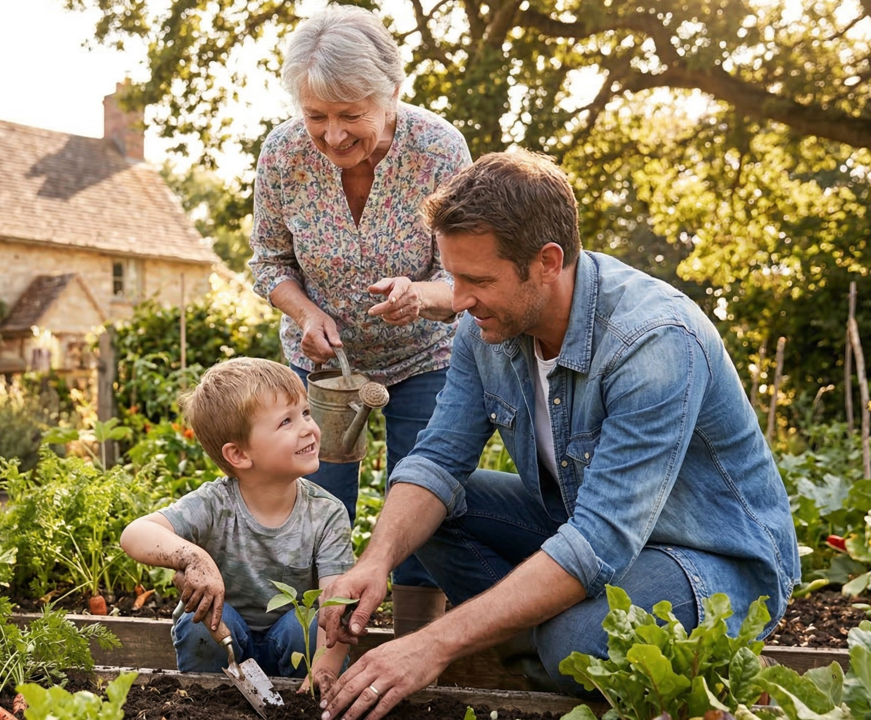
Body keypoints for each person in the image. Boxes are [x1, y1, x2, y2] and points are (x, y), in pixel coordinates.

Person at [316, 149, 801, 720]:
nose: (459, 299)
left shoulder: (652, 342)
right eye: (453, 276)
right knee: (436, 514)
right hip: (585, 527)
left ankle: (551, 638)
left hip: (711, 557)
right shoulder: (486, 326)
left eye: (478, 279)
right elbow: (438, 460)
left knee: (578, 642)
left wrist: (435, 641)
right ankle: (541, 634)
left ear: (546, 261)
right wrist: (375, 562)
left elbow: (599, 541)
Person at [248, 3, 472, 632]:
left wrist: (421, 295)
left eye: (352, 116)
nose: (334, 135)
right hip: (323, 361)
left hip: (423, 355)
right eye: (317, 116)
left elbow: (469, 275)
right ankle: (320, 639)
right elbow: (268, 261)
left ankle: (414, 641)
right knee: (320, 499)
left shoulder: (439, 150)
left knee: (423, 492)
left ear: (392, 92)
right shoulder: (284, 155)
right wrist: (305, 310)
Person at [119, 357, 355, 691]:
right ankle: (209, 699)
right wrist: (194, 558)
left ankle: (303, 697)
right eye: (286, 421)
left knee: (307, 623)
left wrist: (324, 668)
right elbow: (135, 534)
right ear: (239, 455)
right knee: (200, 625)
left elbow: (336, 604)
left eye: (305, 413)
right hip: (225, 641)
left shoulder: (326, 513)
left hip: (295, 654)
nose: (307, 428)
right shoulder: (215, 504)